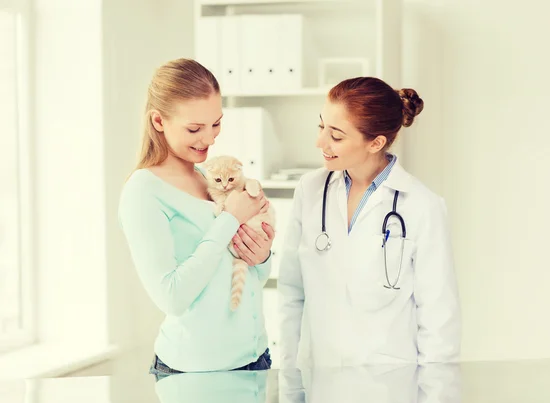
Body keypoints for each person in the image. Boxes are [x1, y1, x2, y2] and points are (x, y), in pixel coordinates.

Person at [278, 77, 461, 369]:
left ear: (376, 143)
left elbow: (438, 320)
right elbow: (291, 293)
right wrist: (288, 377)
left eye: (336, 136)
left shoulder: (421, 206)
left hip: (390, 383)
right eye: (321, 126)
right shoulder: (310, 190)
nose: (320, 142)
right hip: (320, 378)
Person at [118, 58, 275, 378]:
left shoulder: (209, 177)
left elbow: (251, 277)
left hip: (255, 358)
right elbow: (172, 297)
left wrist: (262, 256)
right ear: (159, 121)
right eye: (195, 128)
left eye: (216, 123)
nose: (210, 139)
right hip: (197, 371)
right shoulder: (143, 192)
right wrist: (229, 220)